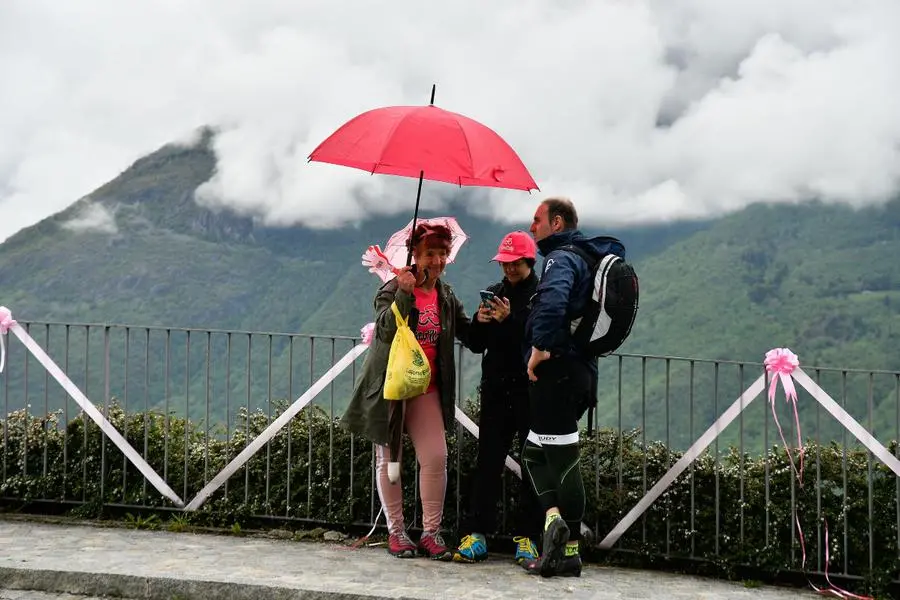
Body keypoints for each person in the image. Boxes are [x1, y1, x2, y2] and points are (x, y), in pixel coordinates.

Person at [341, 222, 472, 561]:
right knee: (391, 461)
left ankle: (430, 532)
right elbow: (384, 330)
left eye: (443, 254)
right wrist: (403, 292)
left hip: (427, 388)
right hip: (393, 388)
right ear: (416, 254)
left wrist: (492, 320)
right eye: (431, 254)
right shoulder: (391, 289)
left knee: (436, 457)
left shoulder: (445, 295)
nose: (438, 261)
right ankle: (396, 532)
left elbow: (468, 332)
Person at [521, 197, 626, 578]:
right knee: (533, 455)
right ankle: (554, 522)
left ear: (557, 222)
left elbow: (552, 301)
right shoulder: (586, 255)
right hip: (580, 372)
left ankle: (568, 551)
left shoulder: (561, 258)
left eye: (537, 221)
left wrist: (539, 350)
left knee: (564, 462)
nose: (532, 228)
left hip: (558, 373)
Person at [453, 231, 543, 565]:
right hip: (494, 390)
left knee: (532, 465)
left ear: (528, 262)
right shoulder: (494, 293)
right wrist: (480, 321)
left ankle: (529, 538)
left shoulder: (540, 297)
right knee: (488, 462)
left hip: (529, 392)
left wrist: (511, 321)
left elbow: (539, 339)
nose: (508, 269)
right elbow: (476, 344)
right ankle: (477, 534)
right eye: (504, 263)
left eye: (514, 263)